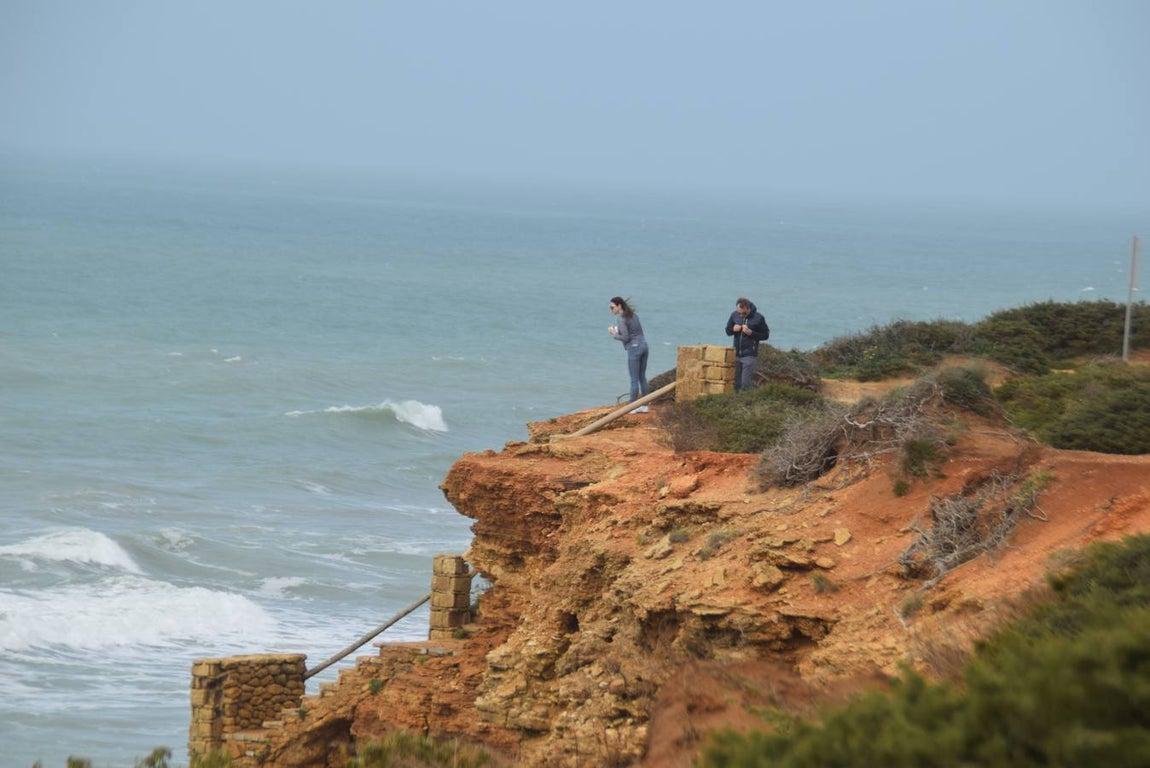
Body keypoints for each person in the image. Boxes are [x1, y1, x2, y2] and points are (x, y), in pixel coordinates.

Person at [608, 296, 650, 412]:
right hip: (644, 346)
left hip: (634, 348)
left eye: (612, 307)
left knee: (634, 378)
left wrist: (614, 333)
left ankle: (632, 406)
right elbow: (634, 331)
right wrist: (619, 330)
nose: (611, 310)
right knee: (642, 377)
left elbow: (626, 338)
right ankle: (645, 406)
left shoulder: (621, 319)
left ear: (619, 306)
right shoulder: (633, 315)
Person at [725, 297, 770, 392]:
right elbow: (727, 331)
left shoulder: (758, 318)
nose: (741, 315)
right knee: (736, 384)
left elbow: (765, 335)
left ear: (748, 308)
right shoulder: (734, 315)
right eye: (739, 313)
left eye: (744, 313)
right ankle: (736, 404)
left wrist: (751, 333)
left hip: (749, 354)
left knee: (745, 383)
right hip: (736, 353)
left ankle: (747, 403)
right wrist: (733, 329)